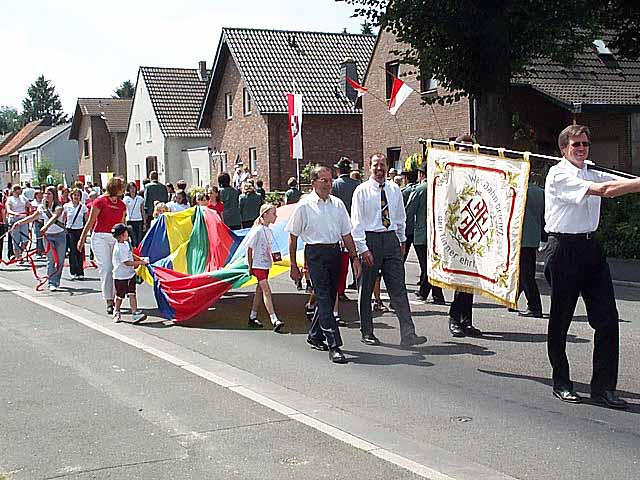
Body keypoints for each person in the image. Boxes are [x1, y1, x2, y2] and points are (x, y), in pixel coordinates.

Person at [543, 124, 640, 408]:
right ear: (564, 149)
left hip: (590, 249)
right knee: (561, 319)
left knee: (608, 319)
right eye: (576, 145)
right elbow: (607, 190)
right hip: (564, 250)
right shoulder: (558, 174)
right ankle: (561, 381)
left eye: (585, 144)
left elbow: (618, 182)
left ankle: (604, 388)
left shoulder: (590, 170)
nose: (582, 149)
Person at [286, 166, 361, 364]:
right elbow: (292, 237)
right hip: (315, 254)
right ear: (313, 183)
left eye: (329, 180)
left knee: (329, 295)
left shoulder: (337, 204)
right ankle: (334, 344)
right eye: (323, 180)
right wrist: (294, 265)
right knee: (324, 298)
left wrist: (355, 257)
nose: (328, 184)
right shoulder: (304, 205)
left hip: (335, 252)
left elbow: (346, 234)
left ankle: (315, 334)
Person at [351, 153, 427, 348]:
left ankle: (408, 333)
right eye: (376, 165)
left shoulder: (394, 189)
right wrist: (362, 248)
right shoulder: (362, 191)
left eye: (383, 165)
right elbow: (356, 223)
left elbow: (400, 217)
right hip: (370, 240)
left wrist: (401, 241)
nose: (379, 169)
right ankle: (367, 331)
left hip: (391, 240)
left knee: (398, 288)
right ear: (369, 168)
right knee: (366, 289)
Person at [447, 134, 483, 338]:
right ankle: (454, 318)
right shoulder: (451, 172)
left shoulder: (478, 173)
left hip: (474, 231)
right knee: (460, 279)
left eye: (470, 149)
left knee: (471, 281)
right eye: (463, 149)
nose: (467, 153)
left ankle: (466, 321)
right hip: (456, 231)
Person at [78, 177, 127, 315]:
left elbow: (122, 224)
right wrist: (82, 240)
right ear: (115, 188)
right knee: (106, 268)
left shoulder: (122, 205)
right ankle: (109, 300)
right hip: (100, 237)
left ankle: (117, 297)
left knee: (117, 268)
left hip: (115, 239)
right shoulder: (100, 201)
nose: (123, 190)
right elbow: (91, 222)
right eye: (121, 187)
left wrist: (126, 243)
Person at [404, 164, 447, 305]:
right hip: (438, 233)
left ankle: (435, 295)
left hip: (422, 233)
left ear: (421, 174)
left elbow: (409, 211)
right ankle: (428, 292)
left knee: (426, 266)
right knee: (433, 264)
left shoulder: (420, 189)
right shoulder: (441, 187)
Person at [11, 186, 66, 291]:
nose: (46, 196)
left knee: (60, 261)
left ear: (54, 196)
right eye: (45, 193)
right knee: (50, 259)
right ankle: (52, 282)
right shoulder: (41, 208)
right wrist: (19, 223)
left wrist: (45, 226)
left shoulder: (59, 207)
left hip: (60, 235)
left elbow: (54, 217)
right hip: (48, 236)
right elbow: (32, 217)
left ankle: (56, 279)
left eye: (49, 194)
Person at [246, 203, 285, 332]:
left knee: (260, 291)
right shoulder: (257, 230)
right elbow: (249, 248)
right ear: (265, 214)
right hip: (258, 265)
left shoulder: (269, 231)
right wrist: (250, 266)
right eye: (273, 214)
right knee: (267, 291)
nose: (276, 216)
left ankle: (252, 316)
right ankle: (274, 319)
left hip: (265, 264)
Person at [514, 176, 545, 318]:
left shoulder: (516, 191)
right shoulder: (540, 192)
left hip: (519, 237)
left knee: (526, 274)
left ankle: (534, 306)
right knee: (525, 272)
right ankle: (512, 300)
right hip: (533, 237)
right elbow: (545, 216)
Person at [331, 157, 362, 294]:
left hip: (340, 226)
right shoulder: (357, 184)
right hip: (356, 225)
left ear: (338, 170)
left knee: (341, 262)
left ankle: (340, 290)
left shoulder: (334, 185)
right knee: (356, 257)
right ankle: (358, 282)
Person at [111, 223, 148, 324]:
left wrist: (140, 259)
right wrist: (141, 263)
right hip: (120, 276)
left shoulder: (126, 244)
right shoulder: (119, 247)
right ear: (122, 235)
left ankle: (135, 313)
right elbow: (127, 262)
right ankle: (116, 311)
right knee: (120, 296)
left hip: (130, 275)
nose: (128, 233)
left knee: (132, 293)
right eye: (126, 232)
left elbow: (131, 254)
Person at [64, 188, 89, 280]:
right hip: (70, 230)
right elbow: (63, 219)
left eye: (78, 195)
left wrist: (86, 232)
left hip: (80, 230)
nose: (76, 197)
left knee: (80, 250)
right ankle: (73, 271)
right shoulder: (66, 206)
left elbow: (87, 220)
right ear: (71, 196)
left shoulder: (83, 207)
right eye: (75, 195)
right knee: (72, 251)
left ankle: (80, 271)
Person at [5, 185, 30, 261]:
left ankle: (20, 253)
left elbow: (29, 205)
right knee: (16, 240)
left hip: (23, 220)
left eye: (19, 189)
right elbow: (8, 210)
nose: (19, 191)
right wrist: (14, 213)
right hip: (14, 220)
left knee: (25, 240)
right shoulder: (10, 199)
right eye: (17, 190)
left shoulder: (23, 198)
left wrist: (35, 208)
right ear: (14, 191)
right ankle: (18, 257)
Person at [123, 182, 145, 247]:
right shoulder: (126, 199)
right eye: (130, 188)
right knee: (133, 238)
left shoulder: (140, 199)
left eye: (133, 188)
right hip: (130, 220)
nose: (132, 189)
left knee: (139, 239)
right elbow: (124, 212)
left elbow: (142, 211)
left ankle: (138, 252)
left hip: (139, 220)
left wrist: (144, 222)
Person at [31, 190, 45, 257]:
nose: (40, 196)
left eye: (41, 194)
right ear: (35, 195)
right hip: (37, 221)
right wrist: (37, 219)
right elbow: (32, 214)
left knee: (44, 237)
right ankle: (38, 252)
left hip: (44, 221)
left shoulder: (44, 202)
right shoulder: (33, 203)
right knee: (38, 237)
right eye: (38, 194)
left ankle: (43, 252)